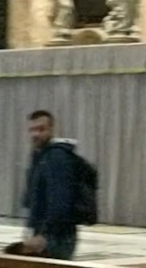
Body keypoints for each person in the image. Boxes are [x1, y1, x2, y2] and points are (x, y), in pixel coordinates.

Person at [21, 109, 97, 259]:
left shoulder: (56, 157)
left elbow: (60, 200)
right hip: (45, 233)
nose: (35, 134)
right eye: (32, 130)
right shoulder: (40, 156)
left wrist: (44, 235)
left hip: (56, 237)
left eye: (41, 129)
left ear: (51, 130)